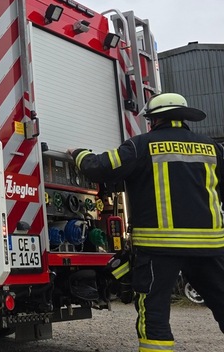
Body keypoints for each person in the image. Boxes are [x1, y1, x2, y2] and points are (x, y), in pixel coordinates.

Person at [68, 92, 224, 351]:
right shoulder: (213, 148)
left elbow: (100, 167)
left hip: (159, 249)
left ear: (154, 120)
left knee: (154, 311)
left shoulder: (141, 145)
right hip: (209, 247)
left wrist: (79, 154)